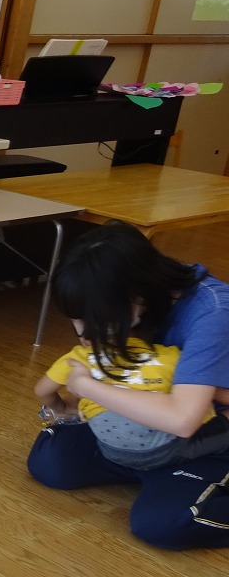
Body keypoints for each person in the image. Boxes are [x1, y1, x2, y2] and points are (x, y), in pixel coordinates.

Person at [27, 220, 229, 549]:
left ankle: (180, 482)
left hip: (200, 435)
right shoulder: (136, 292)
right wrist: (74, 406)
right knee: (51, 460)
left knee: (163, 523)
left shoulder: (212, 314)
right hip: (140, 426)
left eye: (91, 318)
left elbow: (183, 419)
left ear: (136, 301)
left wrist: (88, 388)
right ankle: (161, 476)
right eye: (76, 318)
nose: (82, 332)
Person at [35, 321, 226, 471]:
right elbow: (214, 398)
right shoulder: (172, 356)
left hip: (110, 451)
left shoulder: (79, 357)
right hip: (168, 451)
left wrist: (63, 408)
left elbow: (42, 391)